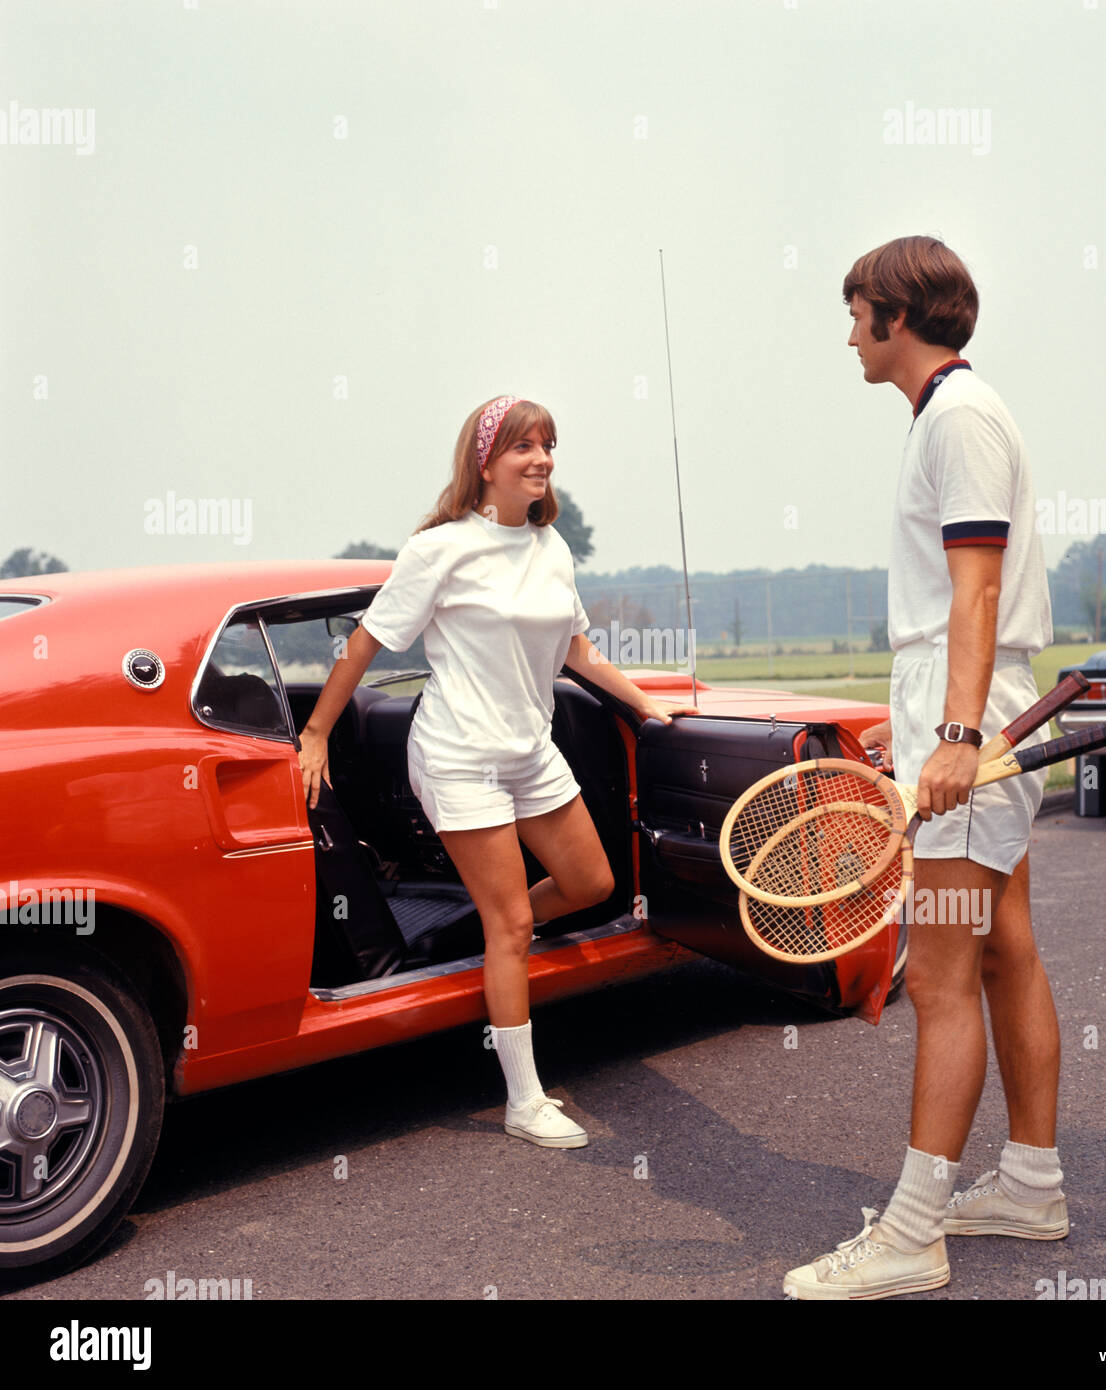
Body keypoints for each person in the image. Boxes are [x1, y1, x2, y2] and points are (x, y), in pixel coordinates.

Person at [298, 395, 696, 1149]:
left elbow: (580, 650)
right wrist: (317, 734)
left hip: (528, 748)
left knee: (594, 884)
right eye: (525, 447)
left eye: (549, 446)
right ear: (485, 462)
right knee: (512, 921)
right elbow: (366, 644)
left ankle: (493, 931)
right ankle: (524, 1097)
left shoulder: (551, 548)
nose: (541, 459)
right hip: (458, 753)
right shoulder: (441, 548)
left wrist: (648, 709)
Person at [783, 237, 1064, 1299]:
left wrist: (954, 738)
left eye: (855, 312)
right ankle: (1031, 1184)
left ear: (896, 314)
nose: (848, 332)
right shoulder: (946, 415)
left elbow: (976, 592)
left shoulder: (957, 415)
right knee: (1006, 951)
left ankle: (911, 1235)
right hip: (965, 707)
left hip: (965, 714)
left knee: (940, 976)